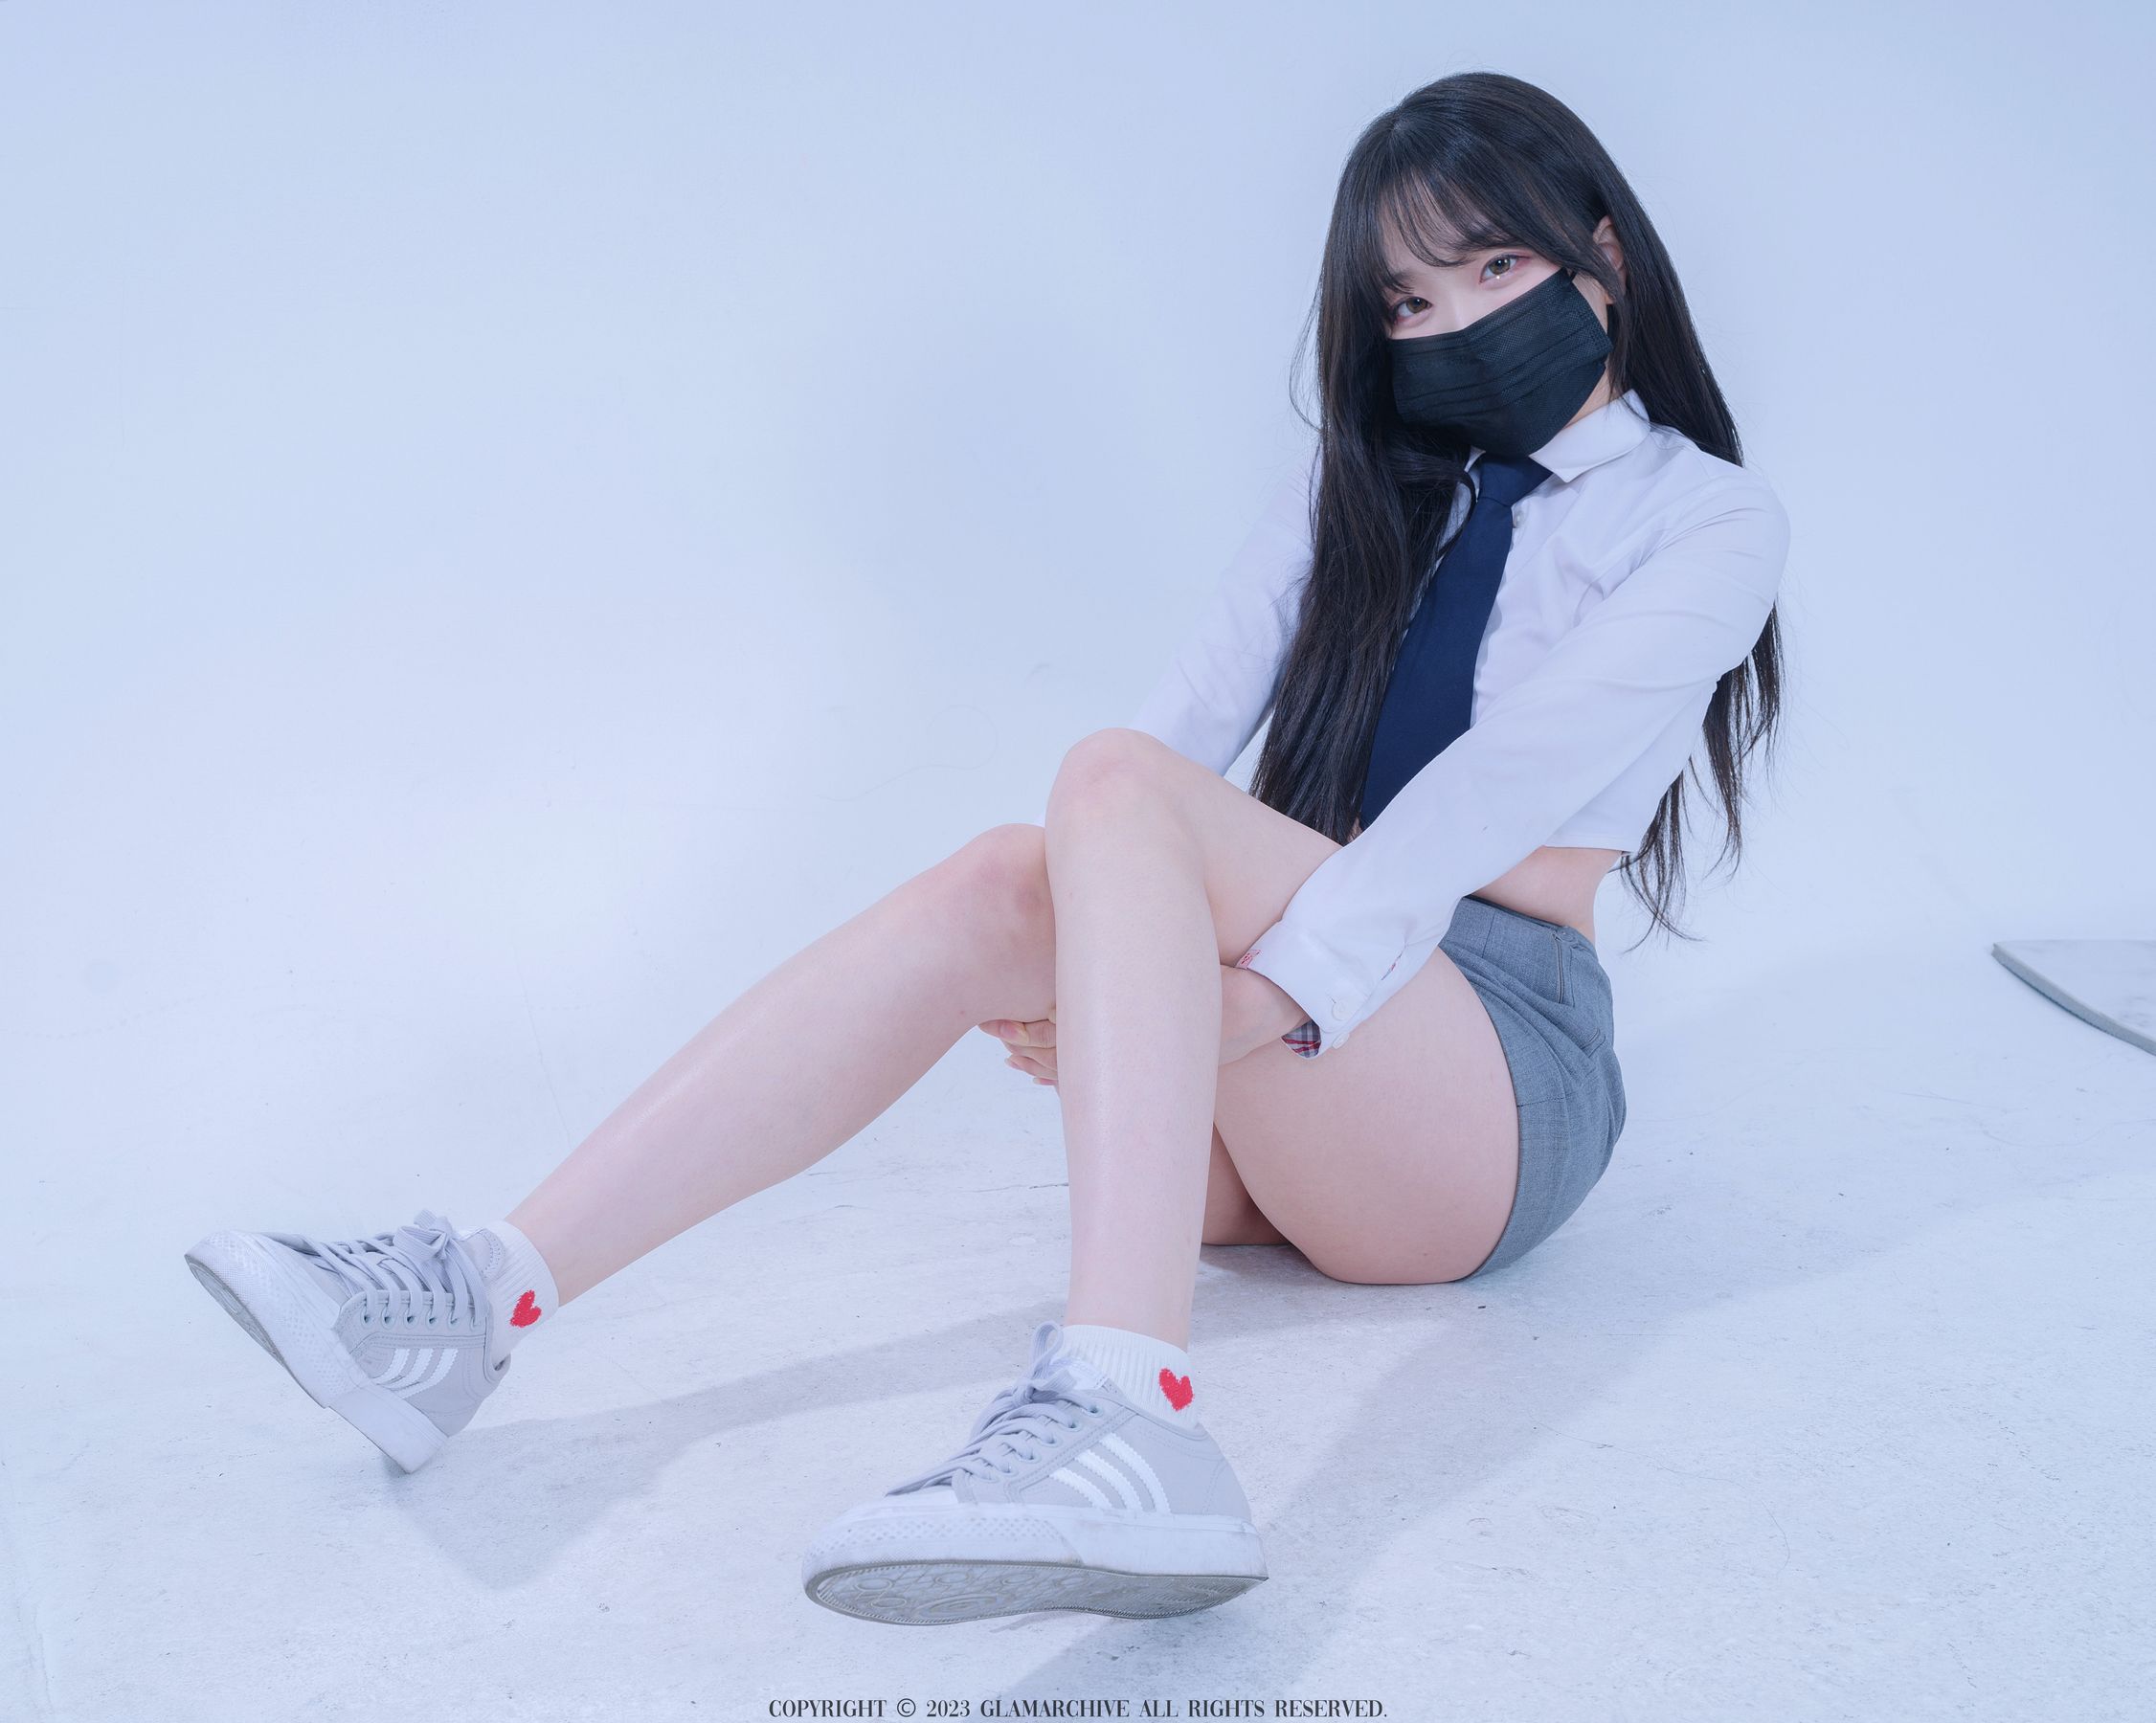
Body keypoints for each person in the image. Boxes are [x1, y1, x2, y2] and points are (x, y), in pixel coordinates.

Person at [182, 69, 1789, 1627]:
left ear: (1603, 253)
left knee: (1113, 788)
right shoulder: (1366, 482)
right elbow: (1189, 719)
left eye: (1497, 269)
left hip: (1483, 1085)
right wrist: (1097, 931)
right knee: (1007, 872)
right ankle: (481, 1294)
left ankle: (1130, 1411)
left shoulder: (1708, 522)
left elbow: (1492, 796)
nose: (1456, 324)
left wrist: (1251, 1001)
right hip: (1297, 1103)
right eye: (1412, 302)